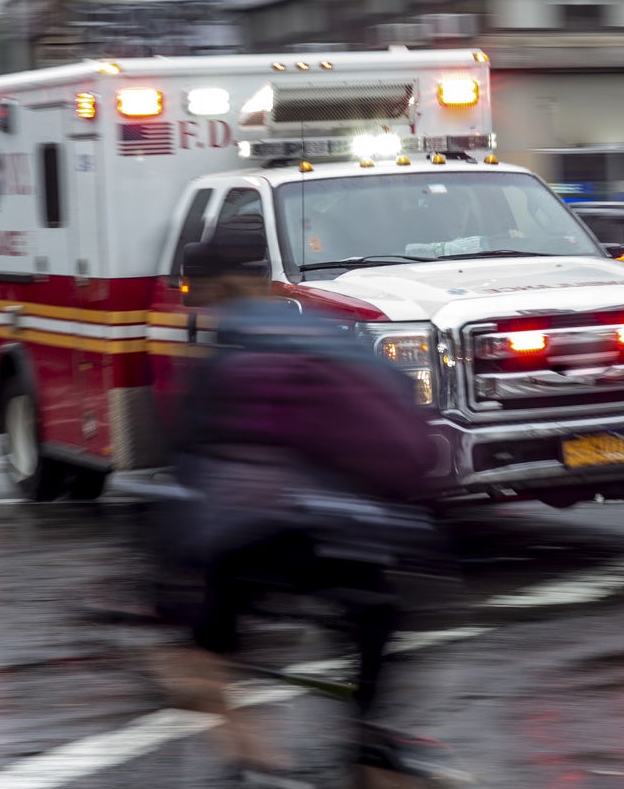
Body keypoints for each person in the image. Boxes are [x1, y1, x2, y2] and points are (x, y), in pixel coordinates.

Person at [149, 215, 443, 788]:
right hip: (375, 531)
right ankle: (372, 751)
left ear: (213, 289)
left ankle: (257, 767)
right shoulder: (327, 336)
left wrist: (163, 587)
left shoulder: (230, 358)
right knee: (371, 624)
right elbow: (403, 410)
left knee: (200, 647)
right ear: (263, 280)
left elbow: (195, 476)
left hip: (268, 534)